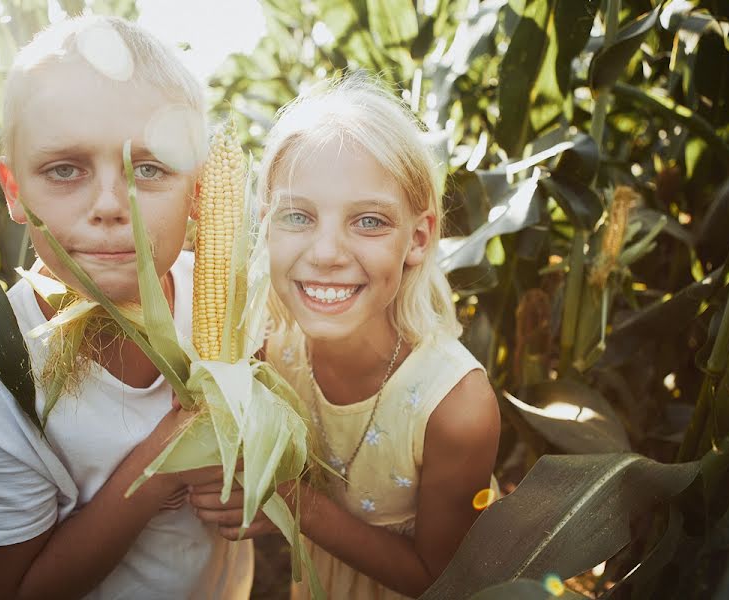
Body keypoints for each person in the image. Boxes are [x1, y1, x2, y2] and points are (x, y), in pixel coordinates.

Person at [0, 16, 252, 600]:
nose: (109, 204)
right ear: (14, 192)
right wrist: (162, 463)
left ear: (197, 191)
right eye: (64, 170)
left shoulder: (235, 304)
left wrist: (258, 480)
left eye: (148, 169)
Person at [189, 76, 500, 599]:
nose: (327, 252)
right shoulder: (267, 346)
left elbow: (440, 579)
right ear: (265, 226)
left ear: (418, 239)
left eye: (369, 221)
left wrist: (289, 499)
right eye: (297, 216)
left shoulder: (456, 408)